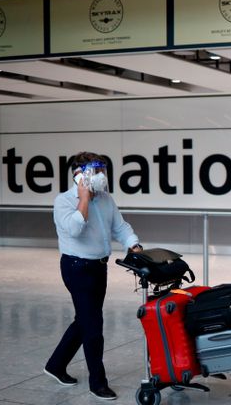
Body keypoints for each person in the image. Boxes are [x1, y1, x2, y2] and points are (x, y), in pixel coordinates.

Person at [44, 152, 142, 401]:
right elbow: (75, 229)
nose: (102, 177)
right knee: (93, 326)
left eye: (103, 171)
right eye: (96, 172)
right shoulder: (64, 201)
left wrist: (133, 245)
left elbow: (120, 226)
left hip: (99, 267)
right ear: (80, 175)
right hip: (76, 267)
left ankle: (55, 365)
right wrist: (84, 197)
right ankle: (97, 382)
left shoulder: (107, 199)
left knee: (85, 320)